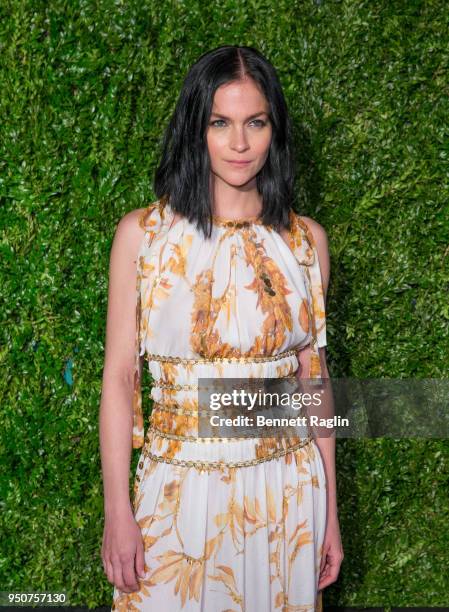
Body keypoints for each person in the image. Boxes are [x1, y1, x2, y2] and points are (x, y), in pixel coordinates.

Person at [100, 45, 343, 611]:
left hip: (288, 491)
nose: (239, 143)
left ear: (273, 129)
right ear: (196, 128)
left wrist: (329, 509)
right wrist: (118, 509)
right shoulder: (144, 236)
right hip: (179, 490)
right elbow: (118, 378)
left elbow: (315, 383)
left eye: (255, 122)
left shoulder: (306, 243)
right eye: (220, 123)